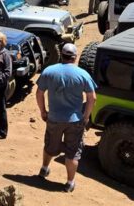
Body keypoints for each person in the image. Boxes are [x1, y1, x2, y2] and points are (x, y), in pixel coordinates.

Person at [36, 44, 97, 193]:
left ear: (61, 55)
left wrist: (43, 111)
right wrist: (86, 116)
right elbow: (92, 97)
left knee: (50, 145)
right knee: (72, 153)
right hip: (75, 120)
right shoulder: (83, 74)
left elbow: (39, 93)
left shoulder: (49, 71)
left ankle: (44, 169)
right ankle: (69, 183)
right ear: (75, 57)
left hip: (54, 118)